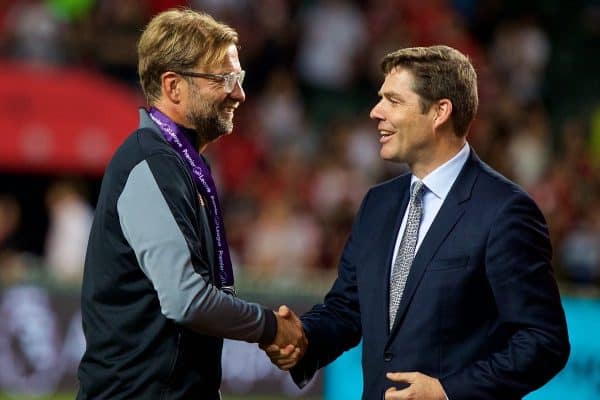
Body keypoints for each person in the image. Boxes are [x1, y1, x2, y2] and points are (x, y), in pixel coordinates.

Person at [265, 45, 570, 400]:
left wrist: (448, 392)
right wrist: (304, 337)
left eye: (393, 100)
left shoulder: (505, 211)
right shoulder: (378, 204)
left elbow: (544, 340)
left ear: (440, 111)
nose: (375, 112)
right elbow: (347, 309)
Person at [76, 9, 305, 400]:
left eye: (240, 78)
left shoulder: (175, 161)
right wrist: (269, 327)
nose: (239, 93)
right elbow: (187, 299)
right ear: (173, 86)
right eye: (224, 79)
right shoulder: (151, 162)